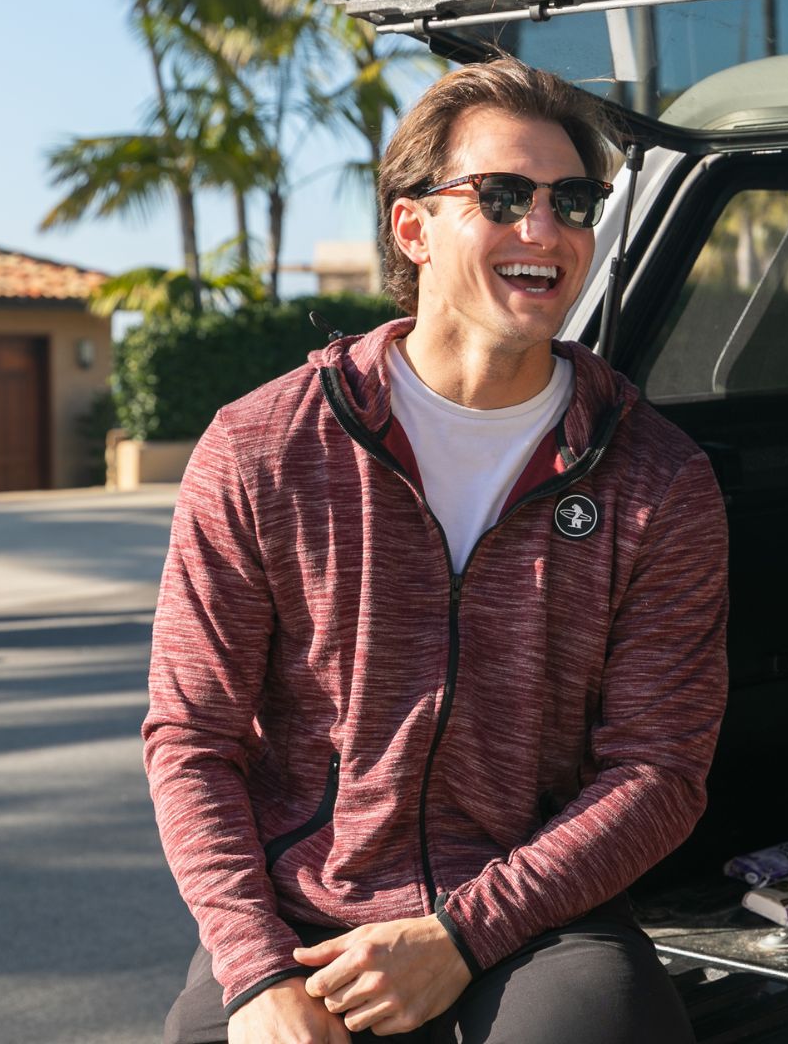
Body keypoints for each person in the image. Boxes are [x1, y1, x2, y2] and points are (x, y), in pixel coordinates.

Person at [143, 56, 728, 1044]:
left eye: (574, 202)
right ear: (413, 227)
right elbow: (191, 740)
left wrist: (461, 934)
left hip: (535, 917)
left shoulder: (658, 479)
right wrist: (252, 976)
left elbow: (658, 773)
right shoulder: (261, 449)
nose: (544, 231)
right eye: (503, 196)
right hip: (301, 914)